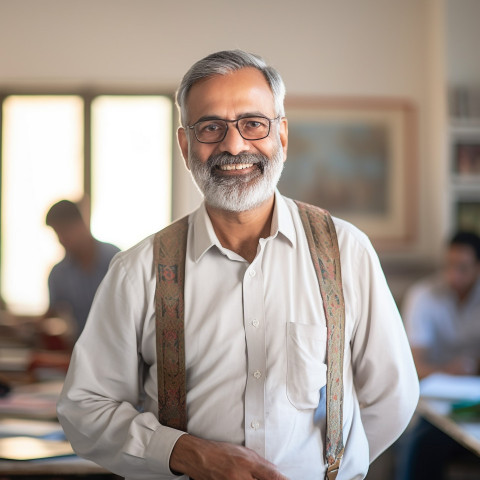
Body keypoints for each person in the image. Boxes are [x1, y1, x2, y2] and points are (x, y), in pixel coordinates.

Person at [57, 50, 419, 480]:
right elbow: (85, 409)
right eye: (211, 127)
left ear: (281, 136)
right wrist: (186, 454)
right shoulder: (138, 271)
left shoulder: (346, 253)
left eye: (253, 123)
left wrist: (332, 472)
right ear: (185, 144)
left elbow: (393, 396)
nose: (233, 145)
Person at [396, 230, 480, 480]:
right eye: (450, 265)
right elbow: (415, 365)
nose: (454, 274)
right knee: (421, 442)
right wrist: (448, 370)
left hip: (474, 397)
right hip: (434, 402)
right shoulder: (423, 296)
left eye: (463, 267)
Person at [45, 199, 120, 342]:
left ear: (81, 224)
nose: (61, 239)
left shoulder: (115, 260)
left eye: (64, 230)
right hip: (82, 350)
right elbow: (52, 314)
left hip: (122, 347)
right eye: (57, 233)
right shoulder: (59, 274)